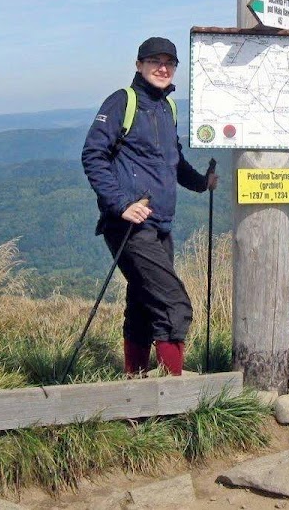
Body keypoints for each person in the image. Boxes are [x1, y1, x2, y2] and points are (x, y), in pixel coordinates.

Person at [81, 36, 217, 376]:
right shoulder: (122, 102)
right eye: (155, 61)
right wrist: (122, 203)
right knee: (174, 304)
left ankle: (136, 380)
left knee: (143, 302)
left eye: (169, 63)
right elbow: (93, 154)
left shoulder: (166, 107)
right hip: (129, 225)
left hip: (160, 224)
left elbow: (172, 160)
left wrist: (201, 183)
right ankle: (172, 390)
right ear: (139, 65)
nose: (162, 67)